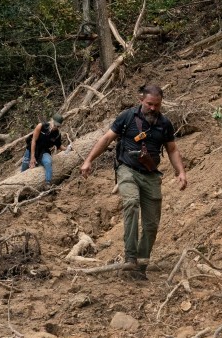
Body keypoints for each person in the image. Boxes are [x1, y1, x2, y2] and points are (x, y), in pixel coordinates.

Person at [80, 85, 187, 278]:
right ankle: (130, 256)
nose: (153, 108)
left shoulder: (165, 124)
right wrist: (88, 161)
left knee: (151, 223)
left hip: (151, 175)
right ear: (141, 101)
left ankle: (140, 266)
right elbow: (106, 139)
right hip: (127, 169)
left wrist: (181, 172)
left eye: (157, 105)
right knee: (131, 202)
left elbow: (172, 150)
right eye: (149, 104)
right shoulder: (127, 117)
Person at [21, 113, 65, 186]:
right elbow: (34, 140)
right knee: (24, 169)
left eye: (57, 126)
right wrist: (32, 157)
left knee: (48, 162)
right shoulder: (41, 126)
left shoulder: (57, 134)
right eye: (54, 124)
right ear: (51, 120)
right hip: (32, 148)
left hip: (43, 151)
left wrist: (68, 148)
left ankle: (48, 184)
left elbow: (59, 146)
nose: (55, 126)